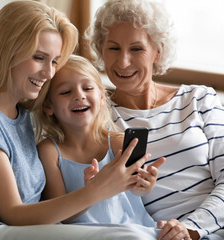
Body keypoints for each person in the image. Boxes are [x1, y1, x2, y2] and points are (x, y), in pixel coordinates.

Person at [0, 1, 156, 240]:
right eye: (39, 57)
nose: (49, 73)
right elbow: (13, 213)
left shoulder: (23, 116)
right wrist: (97, 190)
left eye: (54, 61)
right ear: (7, 51)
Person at [86, 0, 224, 239]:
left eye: (136, 49)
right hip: (168, 231)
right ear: (101, 50)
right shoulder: (100, 116)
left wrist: (193, 226)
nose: (123, 62)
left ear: (158, 51)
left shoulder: (198, 97)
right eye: (113, 48)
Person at [35, 54, 166, 238]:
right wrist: (91, 192)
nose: (79, 96)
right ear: (48, 106)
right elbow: (63, 217)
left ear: (102, 97)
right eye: (66, 92)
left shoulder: (118, 143)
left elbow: (135, 190)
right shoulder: (49, 152)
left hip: (134, 230)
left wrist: (145, 185)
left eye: (88, 88)